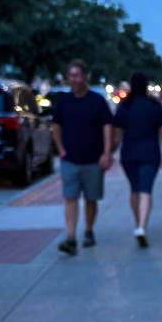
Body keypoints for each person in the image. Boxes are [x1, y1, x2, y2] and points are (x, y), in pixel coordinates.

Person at [52, 61, 114, 255]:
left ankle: (88, 230)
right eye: (71, 76)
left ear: (86, 76)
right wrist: (60, 148)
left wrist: (107, 152)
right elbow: (56, 126)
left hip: (93, 160)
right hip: (69, 159)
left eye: (77, 75)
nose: (74, 80)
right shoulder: (63, 101)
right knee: (70, 198)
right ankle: (70, 237)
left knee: (91, 198)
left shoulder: (97, 101)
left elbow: (107, 127)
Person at [112, 71, 162, 248]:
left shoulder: (124, 106)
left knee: (135, 189)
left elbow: (117, 135)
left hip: (129, 153)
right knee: (146, 190)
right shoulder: (154, 106)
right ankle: (142, 227)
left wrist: (109, 151)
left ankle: (138, 224)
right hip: (150, 153)